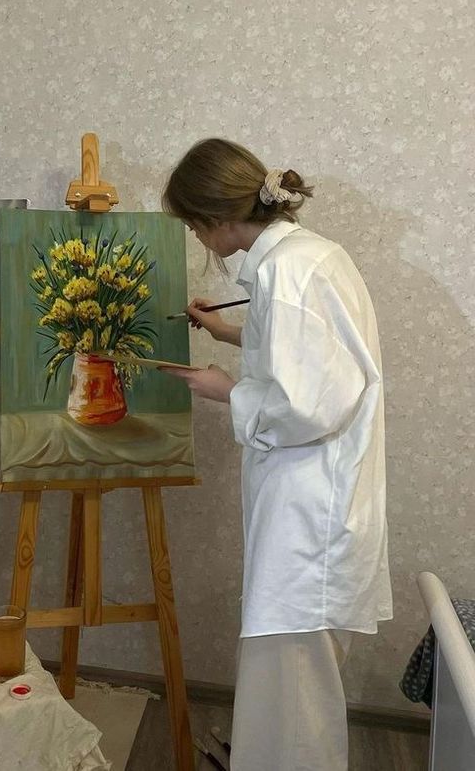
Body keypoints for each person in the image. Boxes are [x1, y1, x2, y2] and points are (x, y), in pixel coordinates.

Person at [161, 139, 392, 771]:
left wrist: (224, 389)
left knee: (292, 676)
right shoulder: (308, 257)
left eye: (191, 223)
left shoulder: (286, 273)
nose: (195, 236)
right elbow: (308, 351)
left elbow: (308, 405)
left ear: (217, 219)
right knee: (292, 674)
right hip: (317, 495)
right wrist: (228, 329)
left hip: (310, 503)